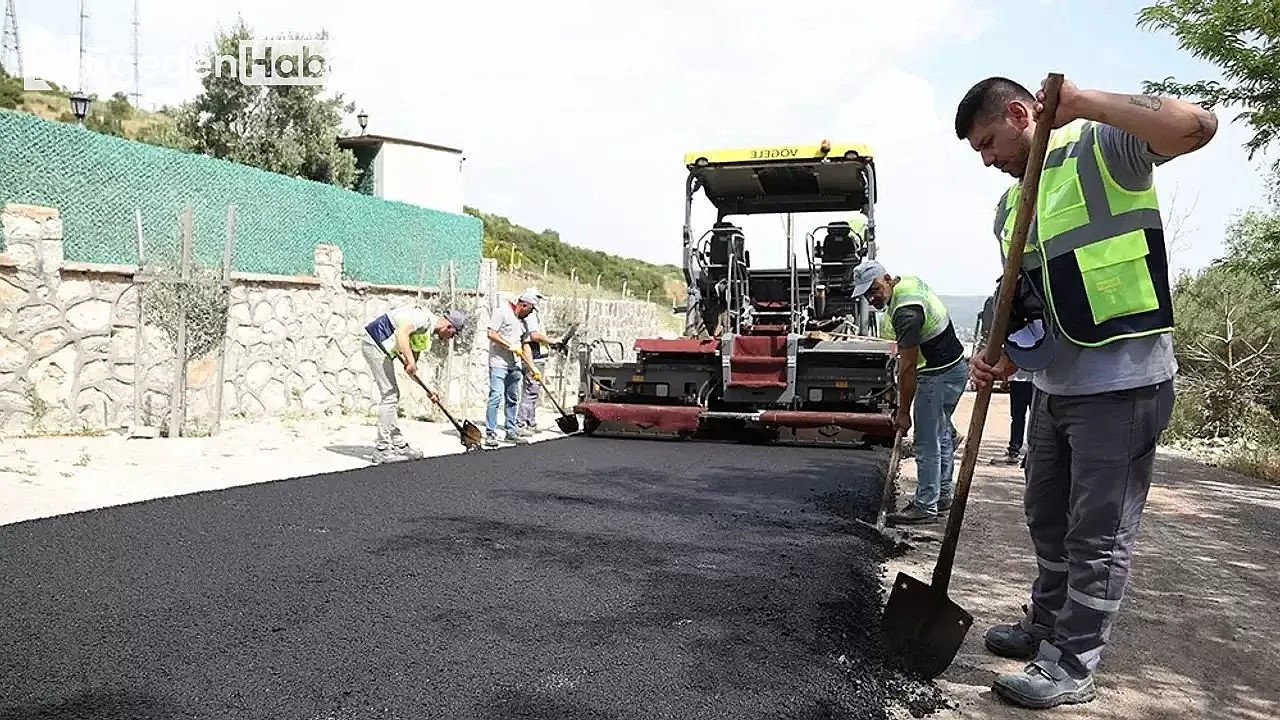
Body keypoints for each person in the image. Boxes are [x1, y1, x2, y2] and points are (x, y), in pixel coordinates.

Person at [954, 74, 1217, 709]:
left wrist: (1082, 103)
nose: (988, 161)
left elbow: (1197, 126)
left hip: (1122, 385)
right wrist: (1003, 358)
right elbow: (1027, 297)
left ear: (1022, 114)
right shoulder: (1012, 207)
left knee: (1095, 536)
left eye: (989, 142)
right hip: (1054, 386)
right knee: (1046, 519)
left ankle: (1072, 662)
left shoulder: (1104, 151)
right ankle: (1045, 626)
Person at [849, 260, 969, 525]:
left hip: (937, 374)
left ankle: (925, 506)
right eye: (866, 294)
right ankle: (943, 496)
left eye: (875, 290)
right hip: (955, 368)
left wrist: (903, 412)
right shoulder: (909, 283)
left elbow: (908, 369)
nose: (871, 298)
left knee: (926, 441)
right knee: (942, 434)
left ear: (888, 279)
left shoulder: (906, 313)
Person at [361, 306, 467, 463]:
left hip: (383, 347)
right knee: (390, 395)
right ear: (449, 326)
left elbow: (412, 369)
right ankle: (381, 450)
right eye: (452, 335)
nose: (449, 339)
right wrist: (410, 361)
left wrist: (429, 390)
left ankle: (399, 445)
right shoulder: (422, 319)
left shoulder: (425, 334)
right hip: (374, 343)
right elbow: (400, 333)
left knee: (392, 395)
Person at [485, 290, 541, 447]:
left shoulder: (522, 323)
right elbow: (491, 334)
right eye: (530, 309)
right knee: (495, 397)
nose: (530, 314)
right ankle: (490, 433)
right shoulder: (502, 312)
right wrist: (509, 346)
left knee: (512, 399)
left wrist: (532, 368)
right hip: (498, 363)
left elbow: (525, 346)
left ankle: (510, 431)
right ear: (523, 305)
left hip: (515, 365)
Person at [515, 287, 553, 435]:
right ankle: (521, 423)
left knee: (534, 392)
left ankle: (531, 422)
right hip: (534, 358)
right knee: (530, 391)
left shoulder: (534, 314)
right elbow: (534, 336)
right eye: (537, 298)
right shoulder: (530, 316)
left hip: (539, 357)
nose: (538, 302)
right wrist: (552, 341)